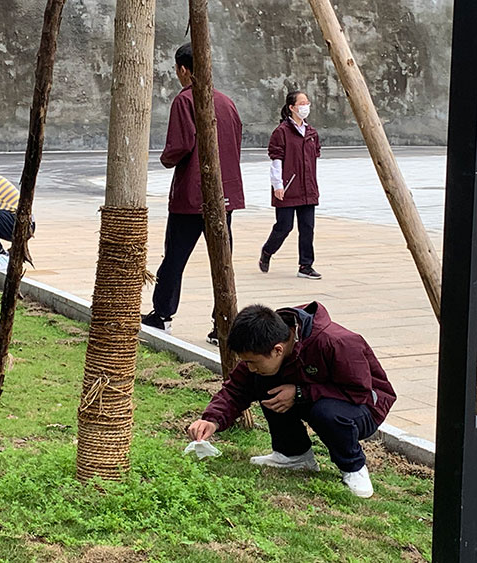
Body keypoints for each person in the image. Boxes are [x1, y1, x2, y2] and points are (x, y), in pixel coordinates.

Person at [187, 302, 396, 498]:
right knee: (262, 380)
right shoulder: (266, 339)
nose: (250, 367)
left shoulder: (337, 342)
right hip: (315, 394)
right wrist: (212, 420)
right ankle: (294, 455)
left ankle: (353, 467)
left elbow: (358, 392)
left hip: (364, 406)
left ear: (278, 349)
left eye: (252, 362)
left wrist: (300, 393)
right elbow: (237, 389)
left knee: (325, 412)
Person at [141, 43, 245, 345]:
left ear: (184, 69)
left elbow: (180, 145)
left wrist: (165, 158)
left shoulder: (185, 100)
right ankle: (222, 325)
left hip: (191, 194)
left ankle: (162, 315)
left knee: (175, 257)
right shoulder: (227, 102)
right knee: (222, 261)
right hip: (224, 194)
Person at [259, 91, 322, 279]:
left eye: (307, 102)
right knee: (284, 226)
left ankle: (306, 265)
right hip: (287, 188)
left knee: (307, 228)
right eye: (302, 103)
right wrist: (277, 185)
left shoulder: (311, 133)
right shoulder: (281, 132)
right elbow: (276, 159)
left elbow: (314, 158)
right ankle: (268, 251)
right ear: (291, 107)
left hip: (308, 189)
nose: (306, 106)